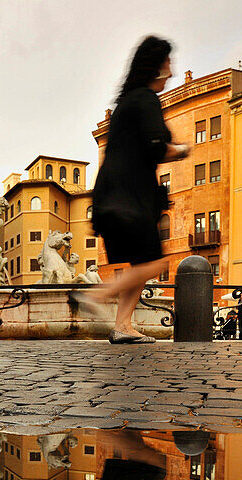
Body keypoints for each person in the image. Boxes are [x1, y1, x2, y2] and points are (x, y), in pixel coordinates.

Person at [87, 36, 191, 344]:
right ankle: (97, 295)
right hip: (130, 197)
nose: (171, 73)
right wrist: (182, 149)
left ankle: (123, 326)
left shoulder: (124, 104)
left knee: (139, 263)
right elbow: (156, 146)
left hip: (111, 194)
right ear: (156, 66)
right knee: (155, 264)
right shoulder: (146, 98)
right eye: (168, 64)